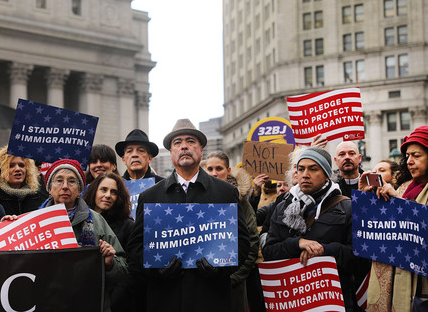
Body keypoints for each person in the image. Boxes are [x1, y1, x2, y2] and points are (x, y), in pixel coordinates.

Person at [126, 118, 250, 312]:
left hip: (211, 297)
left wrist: (221, 270)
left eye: (191, 141)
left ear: (201, 150)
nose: (184, 146)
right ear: (171, 152)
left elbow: (242, 242)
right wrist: (156, 270)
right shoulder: (150, 196)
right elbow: (135, 247)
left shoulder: (226, 192)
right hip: (166, 298)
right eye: (177, 143)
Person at [263, 147, 357, 310]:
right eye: (301, 169)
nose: (305, 174)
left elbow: (359, 260)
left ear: (327, 175)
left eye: (313, 169)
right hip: (291, 299)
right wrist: (296, 243)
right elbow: (269, 252)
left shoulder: (347, 207)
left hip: (333, 301)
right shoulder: (282, 207)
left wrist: (324, 250)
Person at [41, 159, 127, 312]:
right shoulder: (34, 223)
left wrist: (109, 263)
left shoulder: (97, 221)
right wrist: (10, 226)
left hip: (90, 304)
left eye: (72, 181)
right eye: (59, 180)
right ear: (49, 188)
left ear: (80, 188)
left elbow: (122, 270)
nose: (65, 186)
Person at [367, 126, 428, 312]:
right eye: (407, 156)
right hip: (394, 276)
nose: (409, 161)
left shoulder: (399, 192)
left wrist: (399, 202)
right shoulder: (404, 187)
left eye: (416, 155)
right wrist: (368, 199)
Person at [204, 151, 259, 312]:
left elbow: (252, 242)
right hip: (202, 287)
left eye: (219, 168)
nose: (214, 173)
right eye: (210, 169)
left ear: (228, 171)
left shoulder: (241, 201)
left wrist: (233, 277)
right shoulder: (195, 200)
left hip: (232, 285)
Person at [82, 172, 134, 312]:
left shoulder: (128, 226)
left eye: (114, 192)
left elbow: (130, 272)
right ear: (94, 191)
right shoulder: (79, 219)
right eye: (103, 190)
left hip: (115, 302)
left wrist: (111, 303)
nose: (108, 195)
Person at [0, 146, 46, 215]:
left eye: (21, 165)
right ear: (2, 170)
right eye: (11, 166)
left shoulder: (41, 196)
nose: (17, 169)